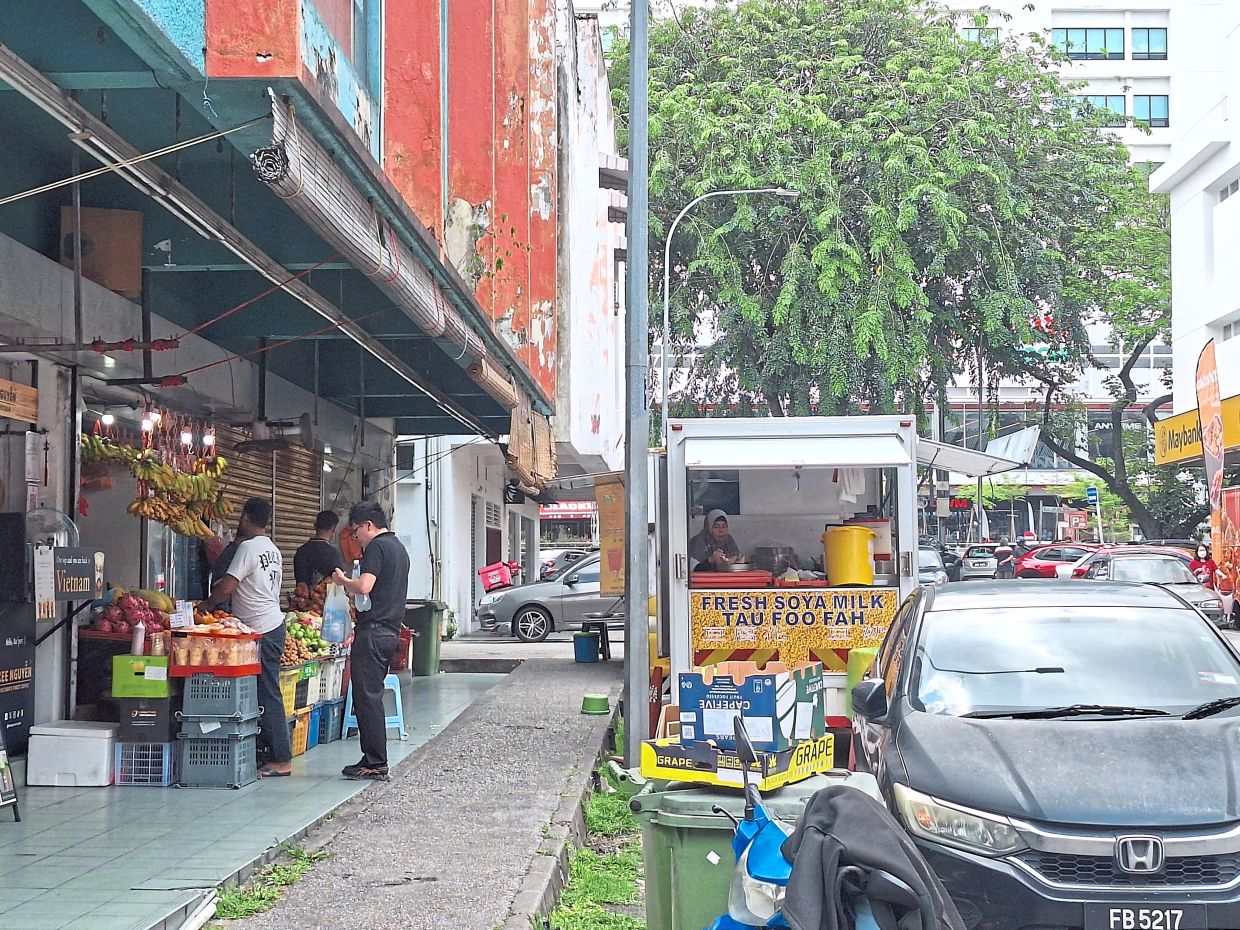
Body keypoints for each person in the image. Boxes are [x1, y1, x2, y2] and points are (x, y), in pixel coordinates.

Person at [200, 498, 291, 777]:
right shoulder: (272, 549)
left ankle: (281, 759)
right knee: (265, 691)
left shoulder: (248, 547)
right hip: (270, 625)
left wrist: (206, 605)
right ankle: (271, 753)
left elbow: (228, 587)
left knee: (268, 692)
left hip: (263, 628)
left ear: (246, 517)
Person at [332, 502, 410, 781]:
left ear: (368, 525)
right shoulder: (398, 548)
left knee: (367, 698)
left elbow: (364, 586)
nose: (357, 539)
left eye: (356, 533)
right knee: (369, 696)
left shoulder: (377, 547)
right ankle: (371, 757)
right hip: (388, 631)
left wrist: (342, 580)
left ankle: (376, 761)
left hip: (374, 632)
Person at [293, 510, 345, 587]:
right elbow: (339, 582)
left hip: (302, 598)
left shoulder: (301, 551)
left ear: (315, 526)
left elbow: (300, 582)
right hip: (327, 598)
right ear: (334, 529)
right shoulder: (333, 553)